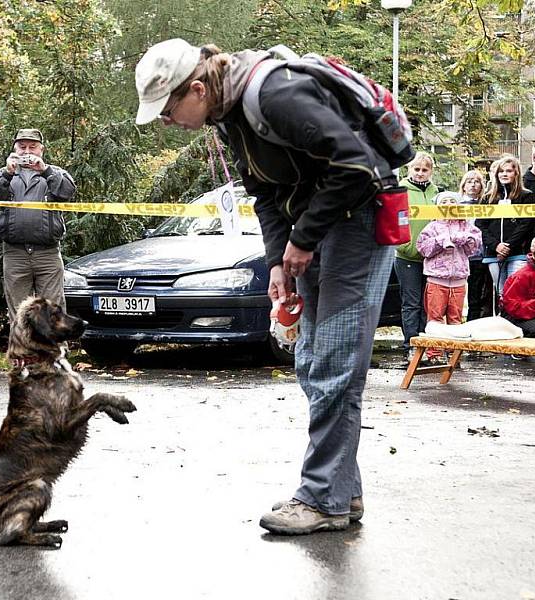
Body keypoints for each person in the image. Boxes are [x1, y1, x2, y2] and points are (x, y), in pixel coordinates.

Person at [135, 38, 395, 535]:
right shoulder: (230, 116)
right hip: (322, 227)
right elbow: (266, 193)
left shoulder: (273, 93)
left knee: (334, 363)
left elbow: (356, 167)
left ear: (196, 87)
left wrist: (303, 238)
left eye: (167, 111)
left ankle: (322, 500)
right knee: (316, 360)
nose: (167, 123)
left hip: (356, 223)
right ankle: (342, 490)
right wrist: (278, 260)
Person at [0, 128, 76, 322]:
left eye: (32, 147)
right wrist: (8, 173)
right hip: (14, 253)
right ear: (14, 149)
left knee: (53, 311)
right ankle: (23, 352)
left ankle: (55, 352)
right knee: (18, 313)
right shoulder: (4, 174)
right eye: (22, 147)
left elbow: (68, 192)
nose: (27, 152)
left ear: (41, 150)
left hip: (48, 254)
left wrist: (45, 170)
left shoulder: (54, 172)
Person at [416, 191, 481, 362]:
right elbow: (422, 249)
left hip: (459, 280)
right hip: (436, 279)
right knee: (435, 317)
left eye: (453, 201)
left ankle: (454, 353)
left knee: (456, 318)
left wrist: (465, 239)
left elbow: (474, 248)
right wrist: (441, 241)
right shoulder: (432, 226)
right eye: (444, 201)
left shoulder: (466, 225)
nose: (449, 204)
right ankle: (434, 354)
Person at [395, 152, 439, 362]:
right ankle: (410, 345)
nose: (421, 173)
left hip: (431, 258)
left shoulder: (435, 192)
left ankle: (425, 344)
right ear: (409, 169)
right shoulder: (401, 190)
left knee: (427, 303)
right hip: (407, 257)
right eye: (417, 169)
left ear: (431, 171)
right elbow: (395, 219)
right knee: (411, 303)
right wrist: (404, 246)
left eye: (425, 170)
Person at [476, 156, 535, 310]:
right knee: (500, 292)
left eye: (509, 171)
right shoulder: (488, 198)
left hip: (517, 252)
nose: (504, 174)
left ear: (516, 173)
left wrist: (508, 245)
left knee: (515, 291)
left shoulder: (526, 196)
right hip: (493, 254)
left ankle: (516, 324)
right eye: (501, 171)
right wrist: (496, 246)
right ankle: (502, 323)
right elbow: (481, 224)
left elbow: (526, 224)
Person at [458, 170, 492, 321]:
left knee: (476, 294)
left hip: (479, 255)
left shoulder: (485, 205)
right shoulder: (456, 204)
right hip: (460, 256)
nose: (473, 184)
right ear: (463, 185)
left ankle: (474, 323)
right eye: (469, 181)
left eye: (476, 181)